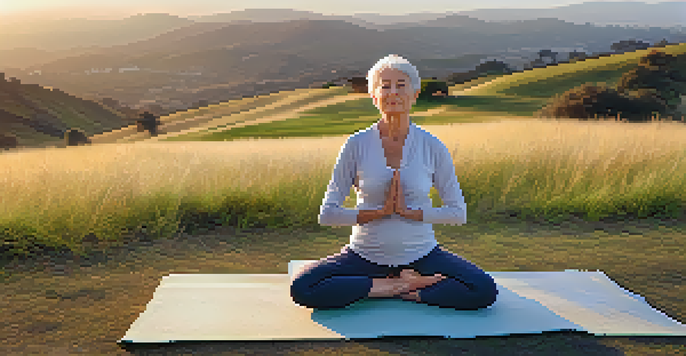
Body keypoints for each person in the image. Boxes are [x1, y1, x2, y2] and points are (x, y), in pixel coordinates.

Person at [290, 54, 498, 310]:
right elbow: (328, 214)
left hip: (423, 254)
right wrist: (378, 213)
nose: (393, 92)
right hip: (363, 255)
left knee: (483, 290)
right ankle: (398, 286)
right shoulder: (356, 145)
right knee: (303, 287)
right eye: (384, 85)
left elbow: (458, 213)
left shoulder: (433, 146)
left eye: (401, 84)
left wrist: (411, 213)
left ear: (415, 93)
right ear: (374, 96)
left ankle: (393, 285)